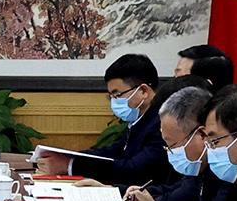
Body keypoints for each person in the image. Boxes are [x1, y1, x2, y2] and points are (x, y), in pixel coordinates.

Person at [118, 82, 224, 201]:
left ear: (202, 135)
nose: (169, 152)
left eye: (172, 145)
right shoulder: (198, 168)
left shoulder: (224, 169)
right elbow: (182, 200)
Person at [58, 53, 169, 189]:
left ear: (143, 91)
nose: (114, 102)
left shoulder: (163, 124)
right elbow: (113, 152)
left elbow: (134, 171)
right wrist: (70, 157)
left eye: (117, 95)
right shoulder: (139, 119)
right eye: (111, 96)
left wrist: (70, 165)